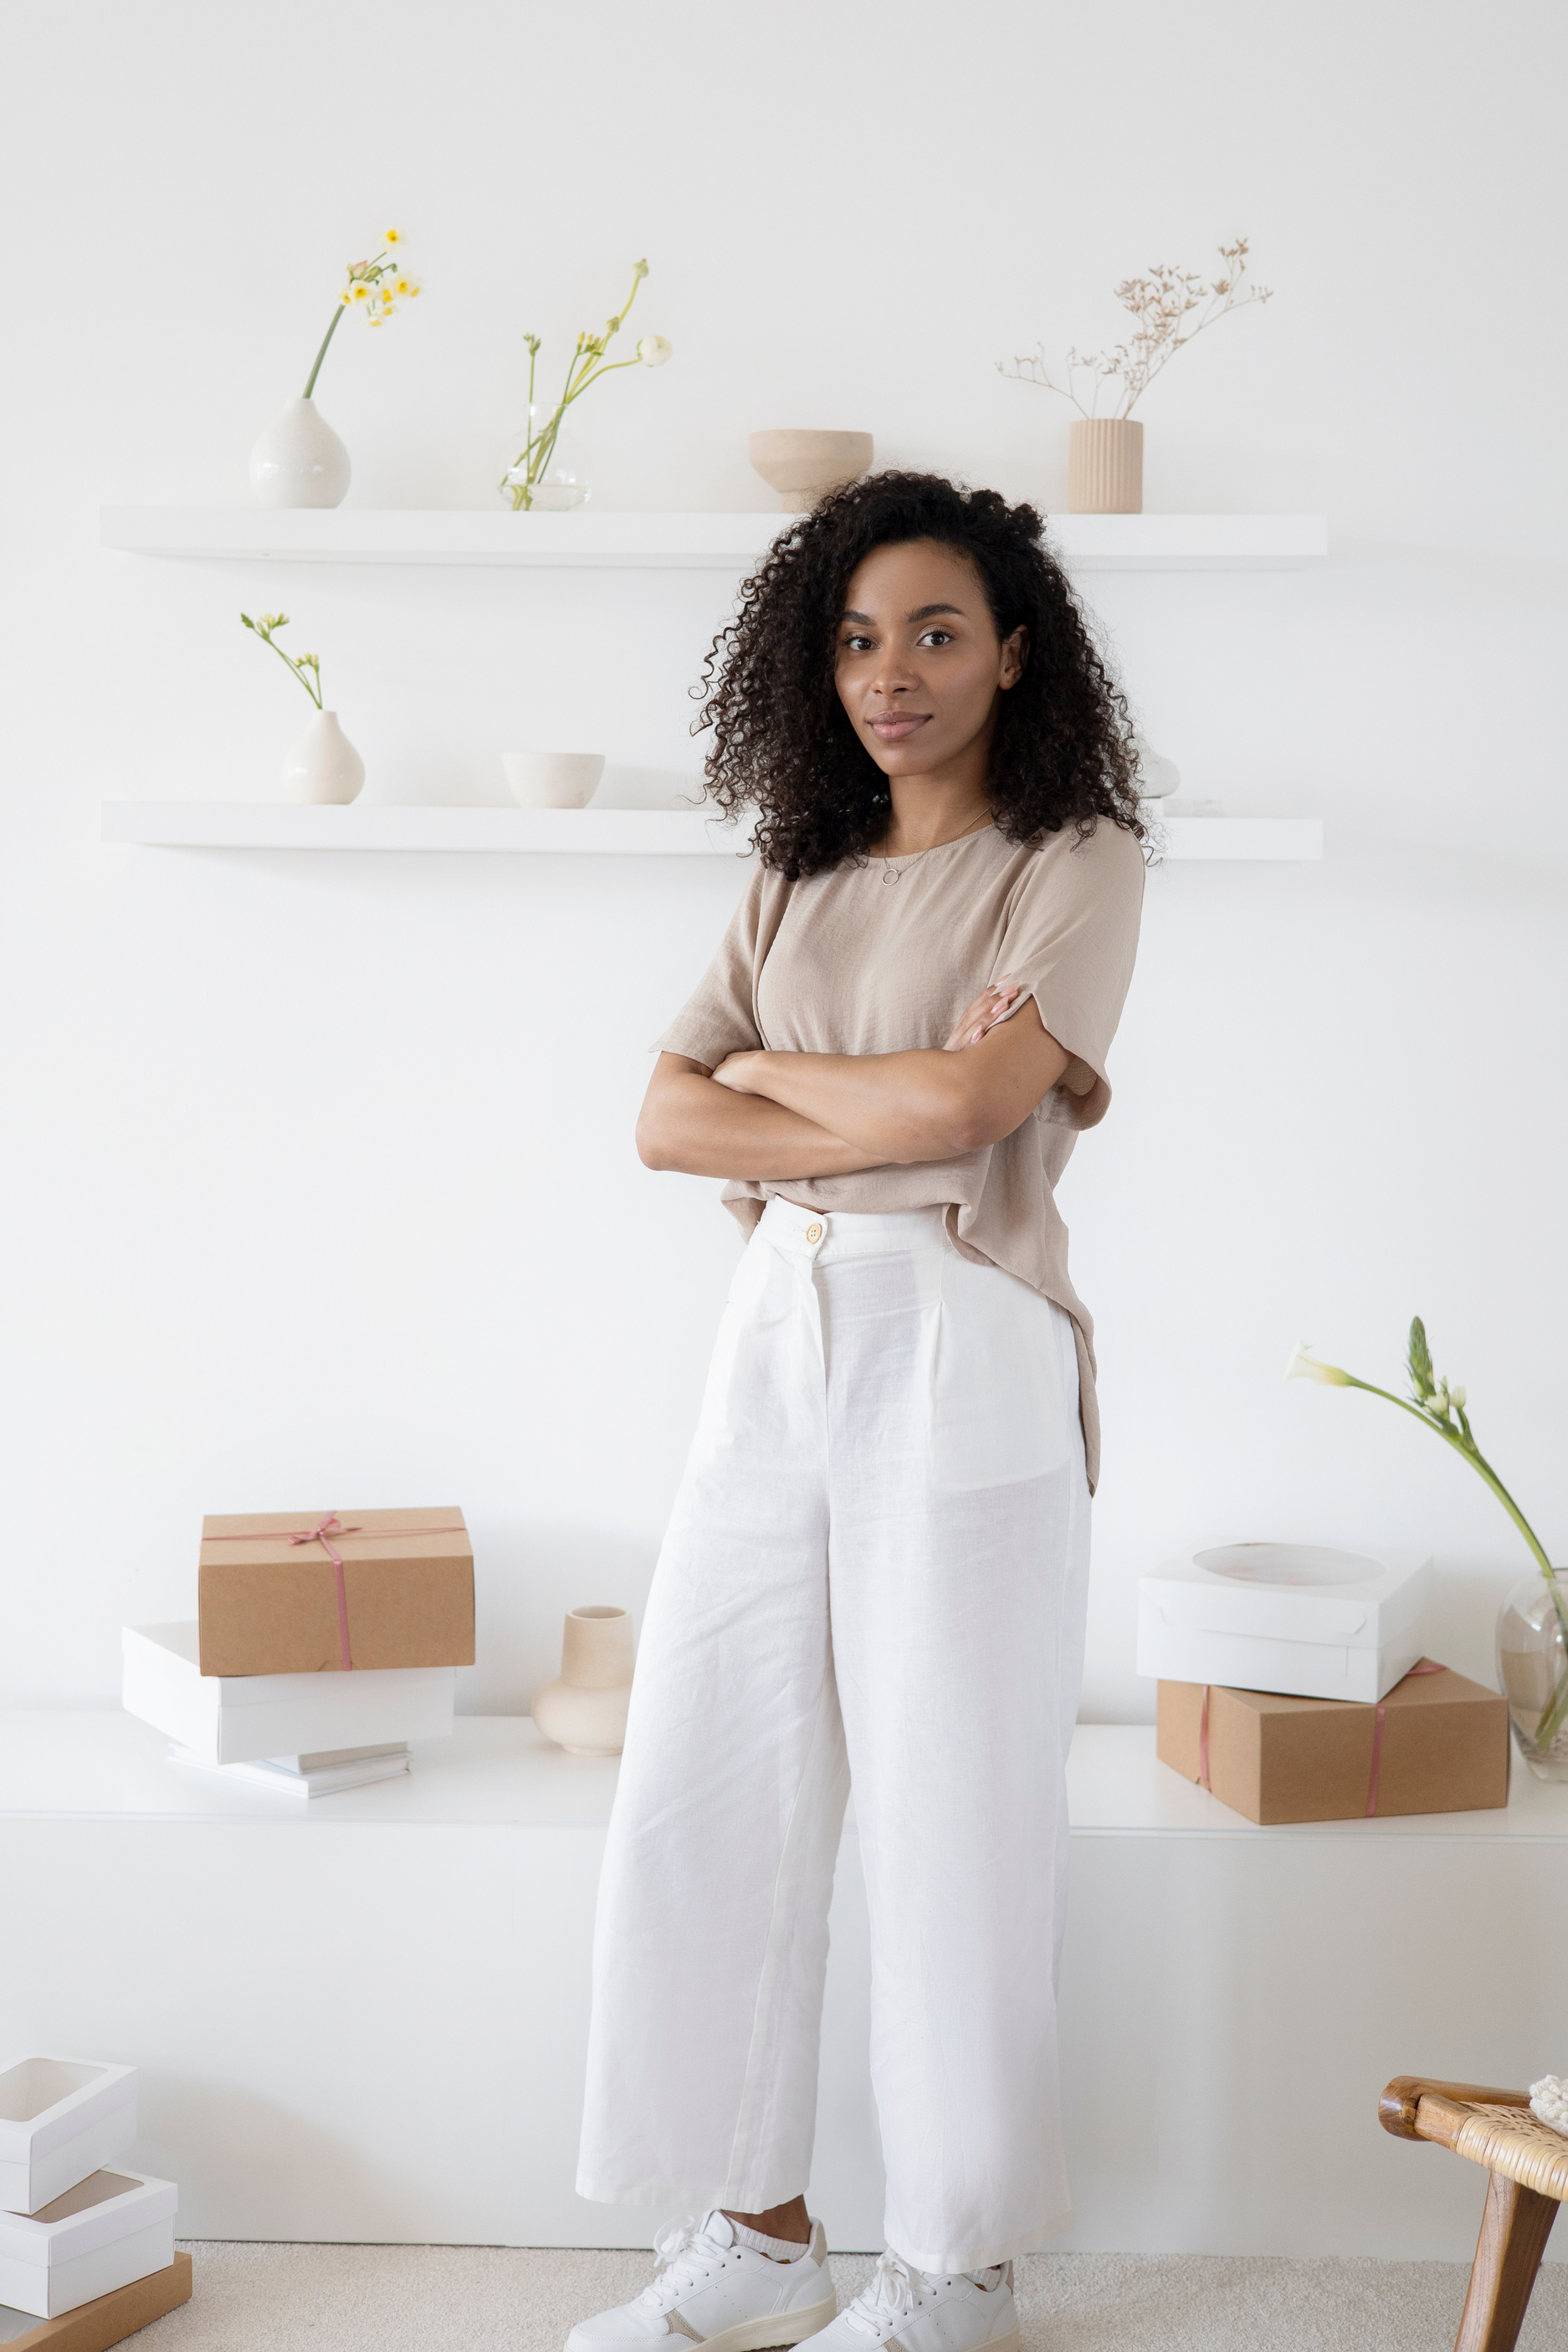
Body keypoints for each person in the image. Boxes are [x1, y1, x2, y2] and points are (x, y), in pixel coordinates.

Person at [567, 472, 1146, 2352]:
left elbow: (968, 1122)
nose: (887, 672)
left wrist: (769, 1072)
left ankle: (952, 2268)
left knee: (952, 1804)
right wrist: (864, 1085)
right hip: (774, 1326)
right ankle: (753, 2226)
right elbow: (660, 1120)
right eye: (852, 635)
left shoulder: (1074, 856)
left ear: (1012, 653)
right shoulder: (795, 863)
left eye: (932, 631)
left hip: (958, 1325)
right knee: (706, 1772)